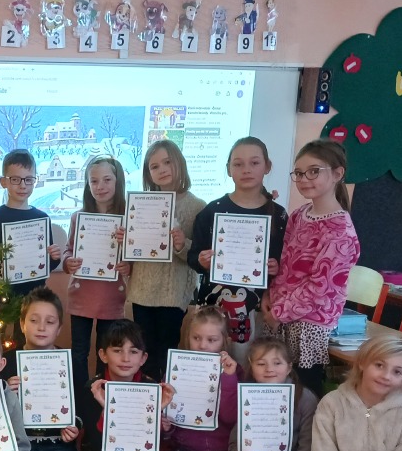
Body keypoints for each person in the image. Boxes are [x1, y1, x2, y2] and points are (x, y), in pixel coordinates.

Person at [69, 320, 211, 451]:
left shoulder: (152, 387)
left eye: (134, 352)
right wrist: (105, 408)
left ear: (143, 358)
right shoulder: (93, 388)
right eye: (117, 350)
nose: (126, 358)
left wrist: (161, 424)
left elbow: (154, 443)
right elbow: (97, 444)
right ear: (103, 355)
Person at [262, 139, 359, 394]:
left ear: (337, 174)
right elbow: (285, 266)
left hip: (308, 327)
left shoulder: (341, 232)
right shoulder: (299, 214)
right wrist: (270, 295)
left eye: (314, 171)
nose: (304, 179)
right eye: (299, 173)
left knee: (303, 395)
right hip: (281, 316)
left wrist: (279, 313)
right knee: (273, 391)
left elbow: (320, 289)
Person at [189, 136, 288, 363]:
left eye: (254, 163)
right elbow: (193, 257)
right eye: (238, 164)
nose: (246, 169)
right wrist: (201, 260)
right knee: (210, 367)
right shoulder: (211, 211)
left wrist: (277, 267)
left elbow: (286, 262)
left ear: (267, 166)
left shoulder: (279, 215)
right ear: (228, 169)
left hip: (256, 308)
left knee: (249, 367)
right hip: (213, 309)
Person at [126, 140, 206, 378]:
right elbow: (134, 249)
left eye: (167, 162)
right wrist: (125, 239)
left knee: (167, 352)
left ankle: (165, 398)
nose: (162, 169)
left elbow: (199, 255)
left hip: (173, 294)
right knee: (144, 354)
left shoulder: (197, 206)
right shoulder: (140, 204)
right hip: (142, 292)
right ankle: (146, 398)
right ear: (148, 174)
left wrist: (182, 244)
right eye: (154, 166)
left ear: (179, 163)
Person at [4, 288, 82, 451]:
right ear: (22, 324)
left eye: (50, 322)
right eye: (34, 320)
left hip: (58, 443)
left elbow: (82, 405)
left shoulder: (70, 363)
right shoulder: (6, 362)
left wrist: (74, 426)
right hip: (20, 443)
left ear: (59, 329)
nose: (41, 327)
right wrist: (6, 393)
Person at [61, 156, 132, 393]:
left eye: (107, 180)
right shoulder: (78, 217)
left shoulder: (128, 220)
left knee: (107, 352)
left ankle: (103, 397)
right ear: (87, 185)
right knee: (79, 352)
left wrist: (128, 266)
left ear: (118, 182)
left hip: (112, 298)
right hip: (81, 297)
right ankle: (81, 397)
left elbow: (135, 257)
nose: (100, 186)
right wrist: (67, 262)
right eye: (94, 181)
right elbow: (69, 249)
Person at [229, 340, 318, 451]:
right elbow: (234, 441)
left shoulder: (305, 399)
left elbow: (308, 448)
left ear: (289, 367)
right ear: (252, 367)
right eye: (261, 363)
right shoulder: (247, 395)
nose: (269, 369)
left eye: (277, 363)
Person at [167, 307, 242, 451]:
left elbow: (230, 418)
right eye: (196, 338)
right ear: (188, 338)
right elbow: (168, 421)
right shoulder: (175, 368)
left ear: (224, 341)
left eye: (211, 340)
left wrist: (228, 378)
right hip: (185, 448)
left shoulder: (234, 371)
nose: (202, 345)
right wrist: (165, 425)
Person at [0, 148, 62, 299]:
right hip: (3, 298)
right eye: (15, 179)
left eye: (28, 179)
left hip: (35, 297)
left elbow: (45, 266)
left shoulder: (42, 219)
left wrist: (54, 257)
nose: (23, 186)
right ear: (3, 182)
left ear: (35, 181)